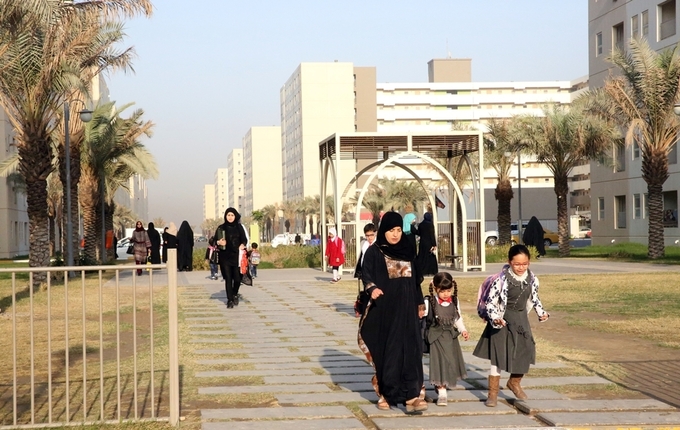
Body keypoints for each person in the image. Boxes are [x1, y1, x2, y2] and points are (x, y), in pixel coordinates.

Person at [358, 211, 427, 414]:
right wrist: (372, 288)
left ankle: (412, 395)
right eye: (391, 230)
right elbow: (366, 274)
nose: (395, 234)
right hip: (386, 310)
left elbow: (415, 281)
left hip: (408, 310)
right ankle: (387, 394)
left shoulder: (408, 250)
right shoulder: (375, 251)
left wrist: (419, 303)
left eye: (398, 230)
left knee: (412, 350)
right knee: (390, 351)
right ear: (383, 231)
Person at [473, 244, 550, 407]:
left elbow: (535, 298)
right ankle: (492, 394)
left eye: (524, 264)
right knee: (498, 356)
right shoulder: (501, 280)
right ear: (509, 262)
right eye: (517, 264)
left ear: (529, 262)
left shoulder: (532, 279)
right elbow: (491, 303)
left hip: (520, 319)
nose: (521, 267)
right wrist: (495, 318)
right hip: (501, 320)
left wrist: (541, 313)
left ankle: (514, 382)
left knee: (526, 349)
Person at [423, 272, 469, 406]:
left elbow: (457, 318)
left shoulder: (454, 301)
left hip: (450, 337)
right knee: (439, 363)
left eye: (448, 291)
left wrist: (463, 330)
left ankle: (441, 386)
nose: (446, 294)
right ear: (435, 288)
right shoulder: (429, 301)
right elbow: (421, 317)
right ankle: (442, 392)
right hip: (436, 337)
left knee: (450, 363)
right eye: (442, 291)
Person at [213, 207, 247, 309]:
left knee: (237, 279)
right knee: (228, 278)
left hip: (237, 257)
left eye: (232, 215)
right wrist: (219, 242)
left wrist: (242, 244)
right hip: (225, 257)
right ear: (225, 216)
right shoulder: (221, 228)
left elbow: (244, 239)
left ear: (235, 216)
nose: (230, 217)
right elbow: (213, 241)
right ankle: (230, 300)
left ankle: (235, 293)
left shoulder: (239, 227)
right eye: (228, 215)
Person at [412, 212, 438, 277]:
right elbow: (432, 235)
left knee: (422, 257)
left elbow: (419, 233)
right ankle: (431, 271)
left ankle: (422, 270)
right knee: (430, 257)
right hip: (429, 243)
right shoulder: (430, 225)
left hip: (422, 243)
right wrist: (434, 244)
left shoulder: (421, 224)